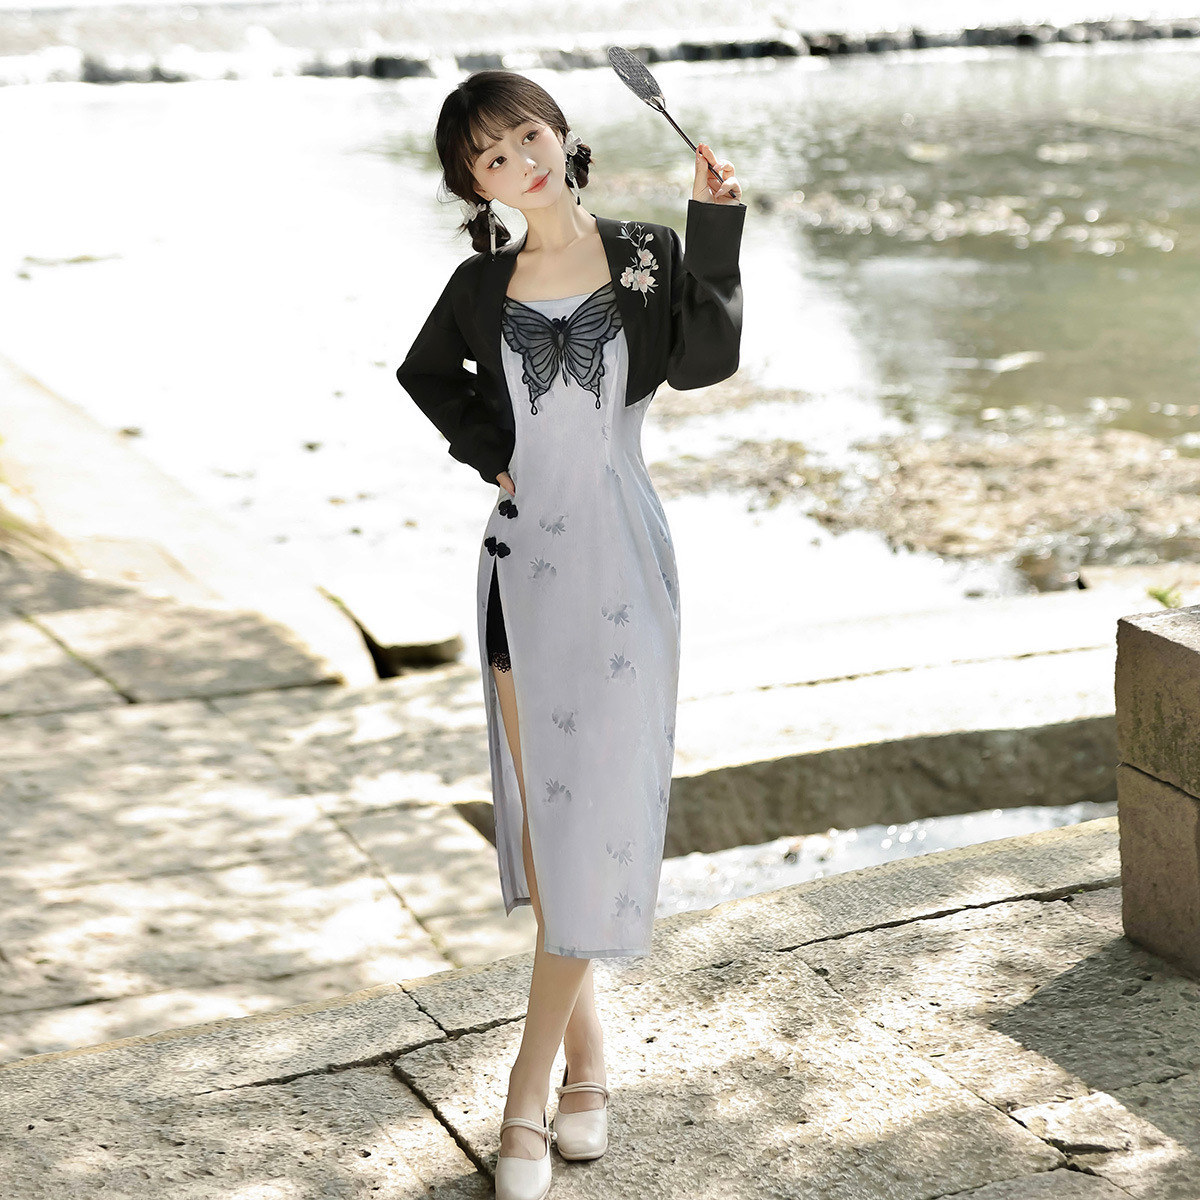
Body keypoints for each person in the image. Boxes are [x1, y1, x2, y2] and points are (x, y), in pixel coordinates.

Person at [396, 68, 744, 1200]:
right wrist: (488, 454)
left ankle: (524, 1094)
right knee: (554, 822)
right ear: (477, 187)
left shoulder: (643, 255)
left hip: (623, 556)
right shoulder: (478, 285)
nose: (520, 163)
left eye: (527, 137)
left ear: (562, 134)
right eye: (491, 158)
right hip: (520, 569)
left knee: (598, 809)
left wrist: (716, 227)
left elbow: (706, 361)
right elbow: (423, 375)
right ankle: (585, 1065)